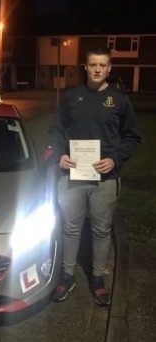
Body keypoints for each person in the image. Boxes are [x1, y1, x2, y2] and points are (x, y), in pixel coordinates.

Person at [47, 46, 141, 306]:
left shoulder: (119, 100)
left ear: (109, 68)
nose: (97, 69)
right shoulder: (71, 98)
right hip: (72, 175)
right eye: (92, 64)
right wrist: (59, 156)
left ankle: (97, 277)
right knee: (70, 227)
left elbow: (133, 136)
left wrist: (115, 159)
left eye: (103, 65)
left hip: (105, 178)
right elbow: (55, 131)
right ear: (85, 68)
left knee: (100, 230)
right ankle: (67, 275)